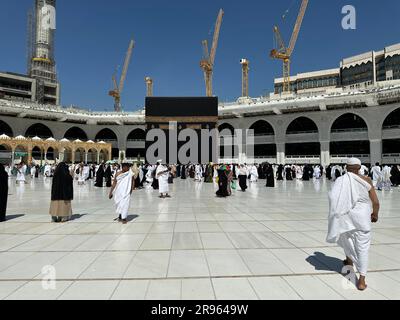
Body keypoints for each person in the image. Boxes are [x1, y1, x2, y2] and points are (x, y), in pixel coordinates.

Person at [326, 158, 379, 291]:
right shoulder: (366, 180)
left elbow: (334, 198)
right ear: (359, 167)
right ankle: (361, 280)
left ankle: (349, 262)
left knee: (347, 240)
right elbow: (376, 202)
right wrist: (375, 214)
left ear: (346, 167)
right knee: (363, 248)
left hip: (346, 218)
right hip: (362, 219)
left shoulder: (340, 180)